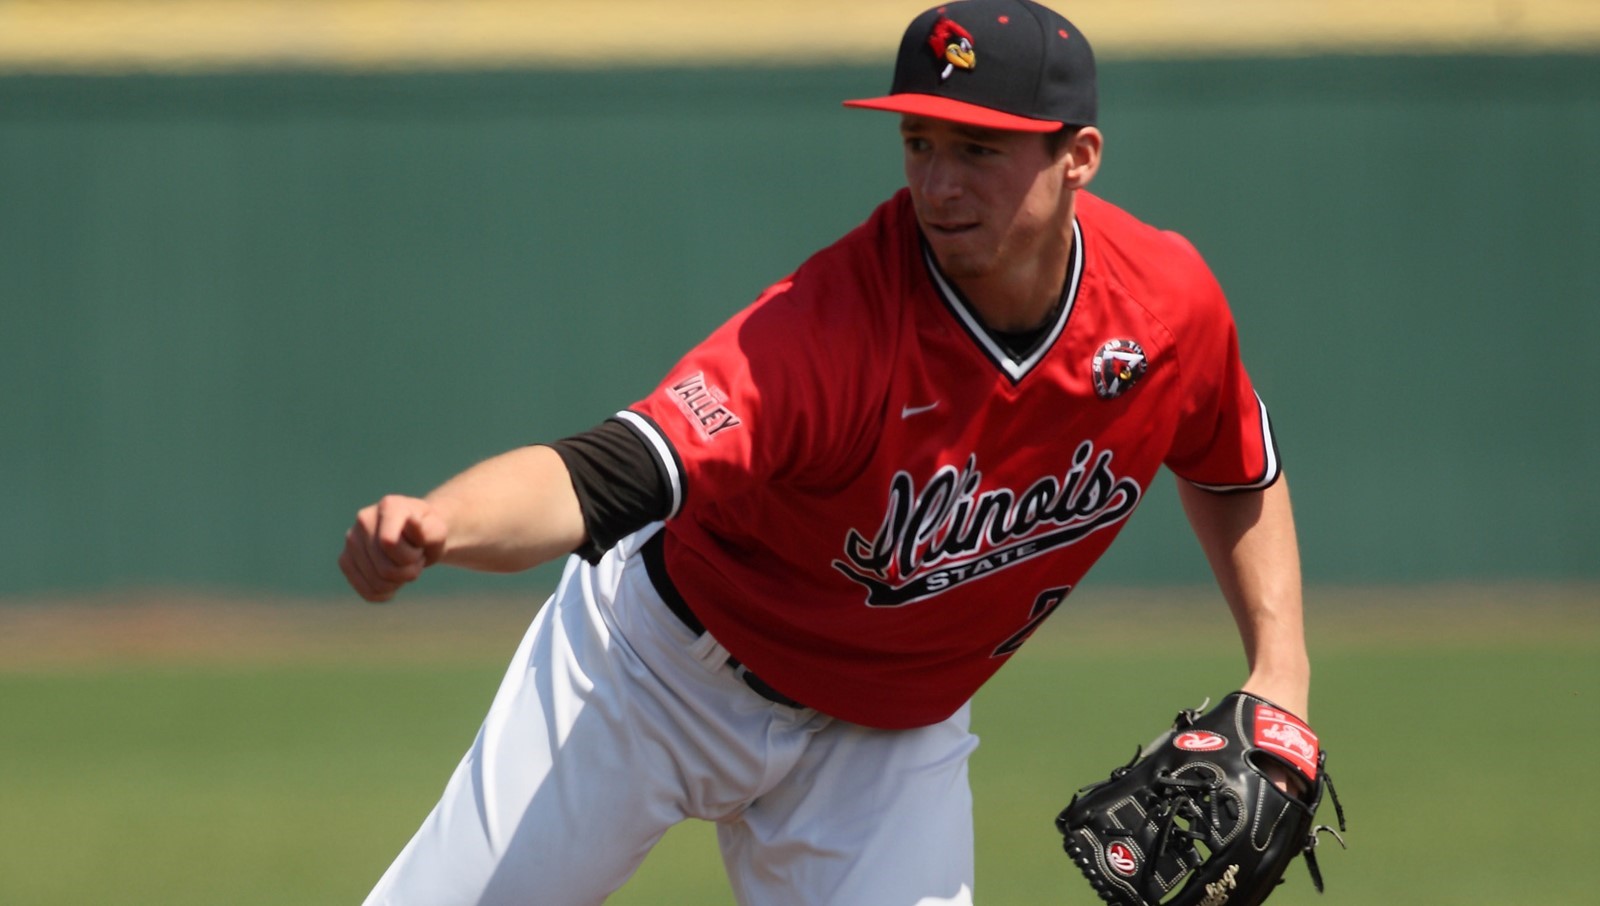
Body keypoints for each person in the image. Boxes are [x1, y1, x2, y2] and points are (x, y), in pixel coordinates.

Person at [338, 1, 1311, 903]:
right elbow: (605, 474)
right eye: (919, 143)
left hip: (885, 744)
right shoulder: (830, 331)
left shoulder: (1164, 306)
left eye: (977, 149)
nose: (939, 184)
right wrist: (443, 523)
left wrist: (1280, 676)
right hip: (656, 676)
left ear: (1078, 156)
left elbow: (1233, 468)